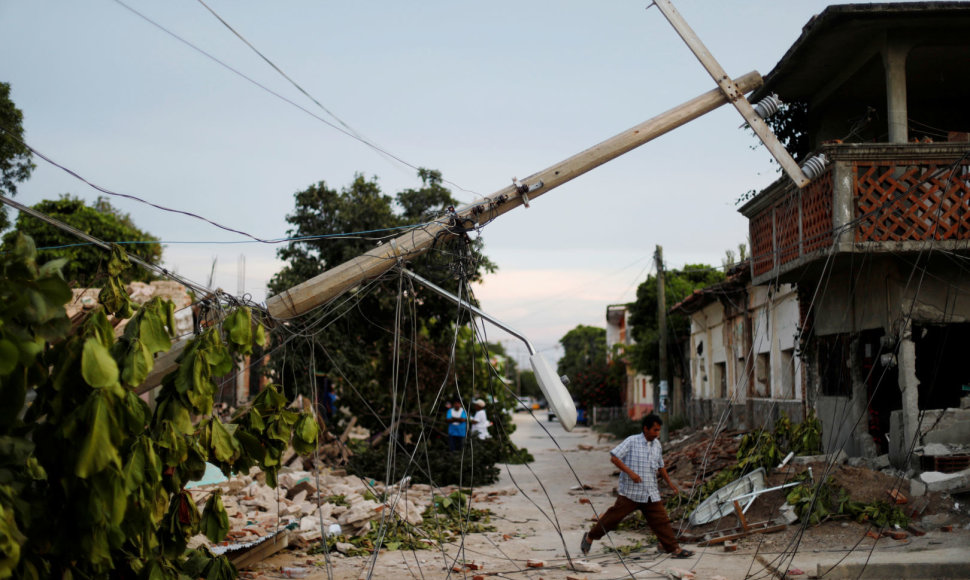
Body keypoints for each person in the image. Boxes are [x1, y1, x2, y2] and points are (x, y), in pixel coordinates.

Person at [579, 414, 693, 559]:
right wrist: (631, 474)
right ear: (646, 428)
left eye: (659, 430)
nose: (657, 434)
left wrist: (670, 483)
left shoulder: (657, 445)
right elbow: (614, 457)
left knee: (661, 520)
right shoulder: (632, 441)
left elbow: (661, 466)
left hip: (650, 493)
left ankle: (673, 548)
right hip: (630, 494)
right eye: (655, 430)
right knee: (612, 519)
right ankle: (589, 537)